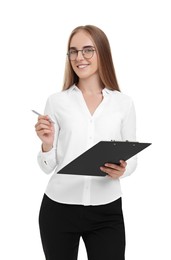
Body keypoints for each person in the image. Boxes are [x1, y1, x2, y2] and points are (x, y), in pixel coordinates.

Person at [35, 25, 137, 260]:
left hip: (107, 211)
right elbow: (47, 167)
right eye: (73, 51)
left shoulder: (124, 103)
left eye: (88, 50)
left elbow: (132, 160)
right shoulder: (56, 101)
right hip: (58, 209)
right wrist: (47, 144)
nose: (79, 57)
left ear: (102, 53)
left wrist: (123, 169)